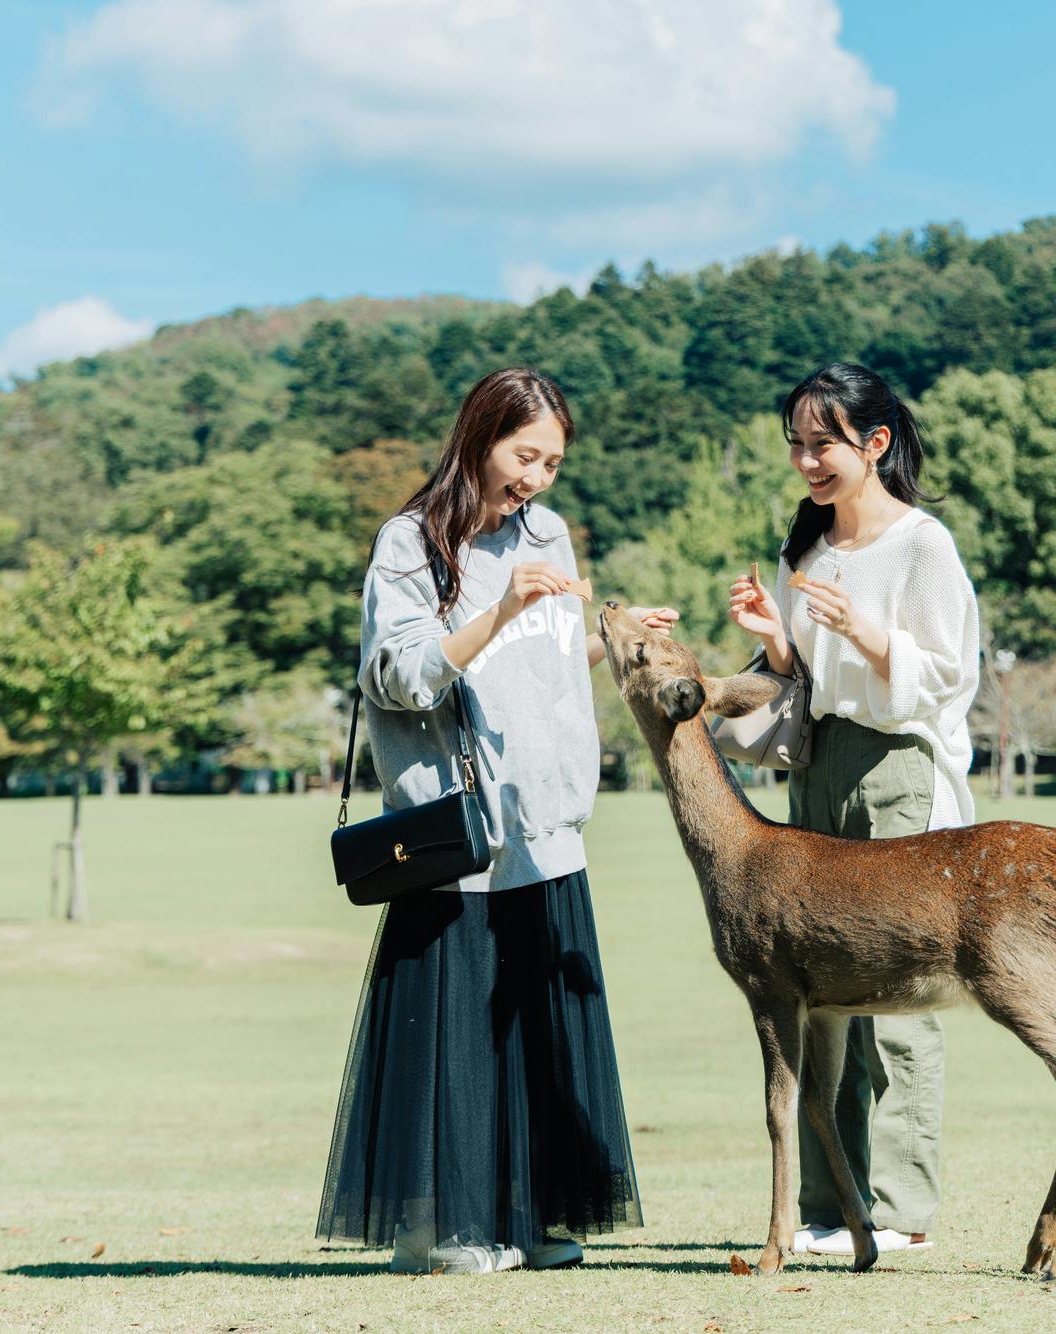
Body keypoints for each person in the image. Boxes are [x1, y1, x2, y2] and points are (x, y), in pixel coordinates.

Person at [316, 368, 675, 1276]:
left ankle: (526, 1216)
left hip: (546, 824)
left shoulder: (545, 532)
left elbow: (541, 669)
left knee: (535, 1034)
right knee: (459, 1037)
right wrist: (500, 606)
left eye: (553, 462)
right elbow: (398, 676)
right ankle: (445, 1229)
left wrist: (618, 636)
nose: (539, 479)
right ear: (479, 437)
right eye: (526, 456)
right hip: (458, 829)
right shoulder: (409, 543)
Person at [727, 362, 981, 1259]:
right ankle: (829, 1207)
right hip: (822, 768)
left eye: (822, 442)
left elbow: (949, 674)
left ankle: (901, 1211)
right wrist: (778, 640)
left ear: (874, 443)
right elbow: (804, 686)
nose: (806, 461)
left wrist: (866, 632)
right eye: (796, 443)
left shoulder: (922, 546)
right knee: (819, 993)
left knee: (902, 988)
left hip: (900, 770)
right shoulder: (809, 548)